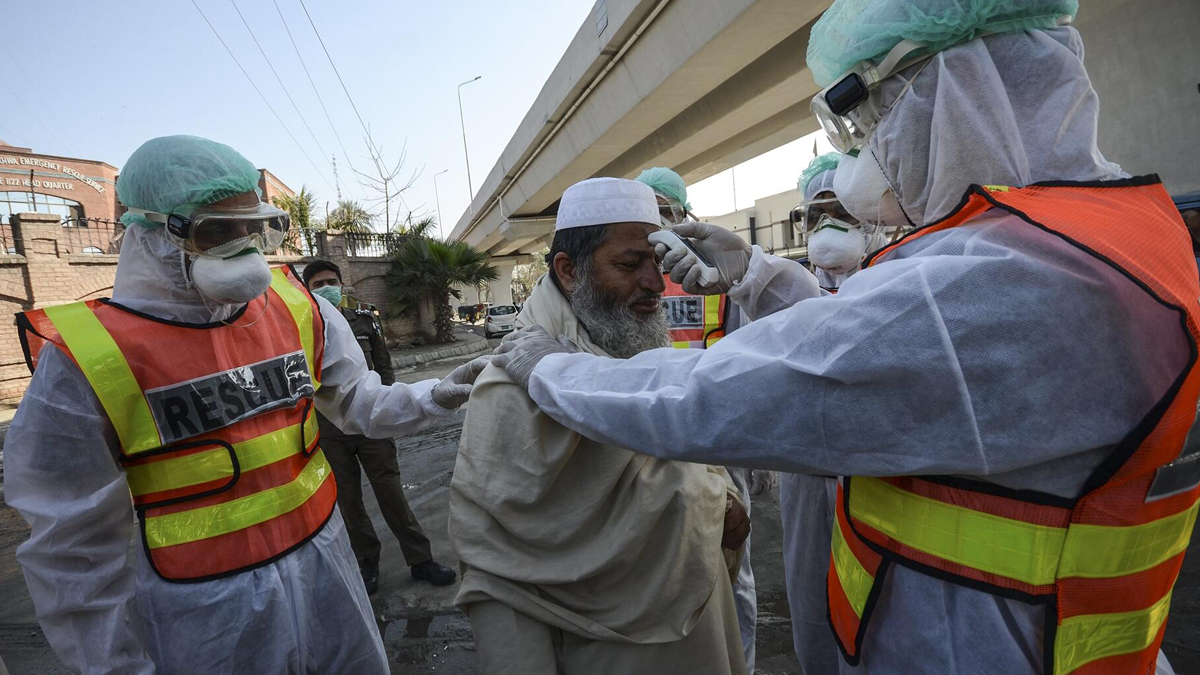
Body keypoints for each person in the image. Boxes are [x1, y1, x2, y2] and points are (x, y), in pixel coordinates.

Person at [492, 2, 1196, 673]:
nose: (870, 150)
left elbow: (740, 388)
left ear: (954, 91)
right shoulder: (1095, 229)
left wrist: (555, 371)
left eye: (875, 118)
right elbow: (875, 342)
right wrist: (758, 272)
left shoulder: (1001, 276)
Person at [4, 135, 489, 674]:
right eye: (217, 231)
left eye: (252, 228)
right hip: (203, 610)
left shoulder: (298, 309)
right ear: (151, 233)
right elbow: (71, 547)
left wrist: (439, 392)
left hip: (325, 570)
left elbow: (360, 403)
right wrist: (114, 665)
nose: (243, 249)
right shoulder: (88, 357)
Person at [449, 177, 750, 675]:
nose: (656, 284)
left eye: (657, 262)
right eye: (631, 265)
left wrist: (725, 501)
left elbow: (686, 459)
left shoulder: (638, 345)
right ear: (569, 271)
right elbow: (498, 572)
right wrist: (708, 503)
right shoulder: (510, 387)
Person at [636, 165, 764, 675]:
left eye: (663, 209)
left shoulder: (713, 270)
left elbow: (751, 353)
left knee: (733, 564)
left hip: (717, 435)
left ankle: (741, 663)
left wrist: (753, 442)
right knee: (668, 564)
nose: (656, 220)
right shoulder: (633, 274)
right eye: (646, 210)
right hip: (654, 436)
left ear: (683, 213)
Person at [302, 259, 457, 592]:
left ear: (342, 285)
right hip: (330, 429)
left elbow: (384, 369)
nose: (326, 288)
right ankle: (367, 562)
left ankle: (421, 559)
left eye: (331, 281)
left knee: (391, 492)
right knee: (348, 500)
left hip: (371, 422)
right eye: (318, 284)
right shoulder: (304, 329)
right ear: (307, 291)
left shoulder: (364, 321)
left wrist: (384, 410)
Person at [798, 153, 893, 291]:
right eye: (815, 216)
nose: (827, 228)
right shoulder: (812, 289)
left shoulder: (903, 279)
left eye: (843, 212)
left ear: (872, 217)